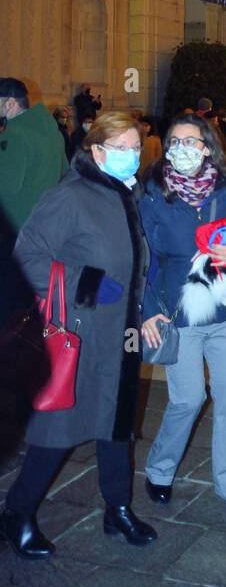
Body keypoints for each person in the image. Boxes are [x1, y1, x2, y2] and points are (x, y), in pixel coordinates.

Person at [1, 112, 154, 558]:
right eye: (122, 148)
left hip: (122, 333)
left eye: (135, 147)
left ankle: (118, 508)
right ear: (96, 150)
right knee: (59, 426)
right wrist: (83, 281)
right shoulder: (68, 197)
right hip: (81, 334)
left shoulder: (127, 192)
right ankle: (17, 512)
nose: (132, 155)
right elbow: (25, 255)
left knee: (118, 423)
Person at [139, 115, 226, 509]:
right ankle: (159, 468)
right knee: (187, 399)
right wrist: (148, 311)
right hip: (179, 314)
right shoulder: (154, 195)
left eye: (191, 142)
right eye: (175, 141)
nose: (181, 149)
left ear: (208, 147)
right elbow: (144, 260)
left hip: (224, 313)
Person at [0, 79, 68, 240]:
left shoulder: (14, 134)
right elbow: (65, 173)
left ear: (10, 103)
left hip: (16, 226)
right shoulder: (53, 133)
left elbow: (6, 185)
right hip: (45, 223)